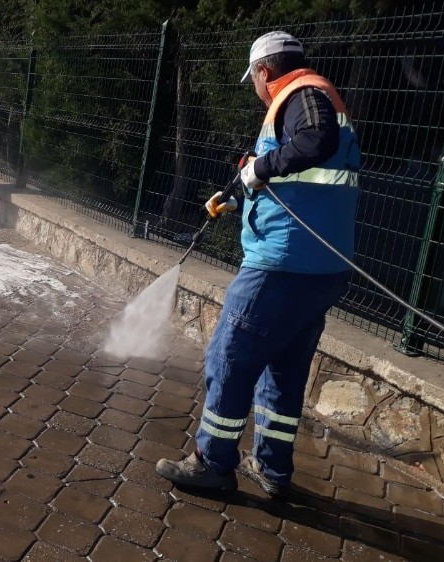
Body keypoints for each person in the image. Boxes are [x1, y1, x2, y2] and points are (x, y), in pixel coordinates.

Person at [155, 31, 361, 497]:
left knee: (229, 358)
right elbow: (308, 181)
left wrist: (260, 169)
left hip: (282, 264)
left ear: (265, 72)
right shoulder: (317, 95)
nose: (256, 87)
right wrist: (241, 193)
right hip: (323, 267)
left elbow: (314, 142)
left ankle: (214, 462)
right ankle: (272, 471)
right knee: (284, 370)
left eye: (255, 79)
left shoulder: (301, 93)